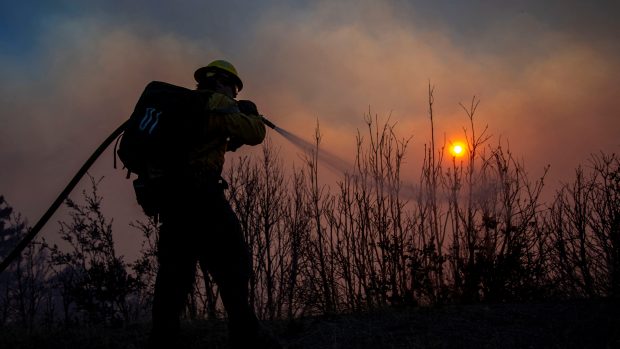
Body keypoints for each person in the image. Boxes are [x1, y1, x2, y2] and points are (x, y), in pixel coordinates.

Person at [147, 60, 281, 349]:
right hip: (202, 197)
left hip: (173, 201)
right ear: (219, 82)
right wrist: (250, 113)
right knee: (236, 261)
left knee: (175, 271)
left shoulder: (188, 107)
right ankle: (246, 334)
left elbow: (204, 141)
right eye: (233, 86)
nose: (234, 93)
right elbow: (255, 133)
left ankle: (162, 339)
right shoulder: (216, 102)